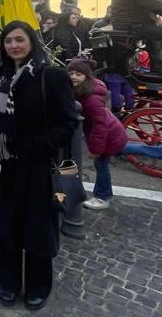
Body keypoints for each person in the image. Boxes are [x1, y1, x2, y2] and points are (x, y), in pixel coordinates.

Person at [0, 21, 79, 309]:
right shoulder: (2, 76)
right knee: (7, 227)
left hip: (37, 167)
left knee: (37, 228)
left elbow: (68, 122)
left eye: (19, 39)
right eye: (8, 41)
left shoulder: (52, 76)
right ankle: (8, 282)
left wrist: (37, 147)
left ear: (32, 41)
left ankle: (39, 285)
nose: (14, 46)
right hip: (3, 165)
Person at [67, 57, 162, 210]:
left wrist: (96, 149)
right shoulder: (82, 90)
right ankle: (158, 151)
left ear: (86, 76)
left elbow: (100, 125)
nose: (73, 77)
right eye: (70, 73)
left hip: (108, 134)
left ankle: (102, 197)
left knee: (101, 164)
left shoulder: (90, 98)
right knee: (125, 149)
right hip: (112, 131)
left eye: (78, 74)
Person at [110, 0, 162, 74]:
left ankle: (156, 68)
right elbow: (153, 5)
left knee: (155, 33)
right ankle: (157, 68)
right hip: (134, 26)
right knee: (157, 33)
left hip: (125, 25)